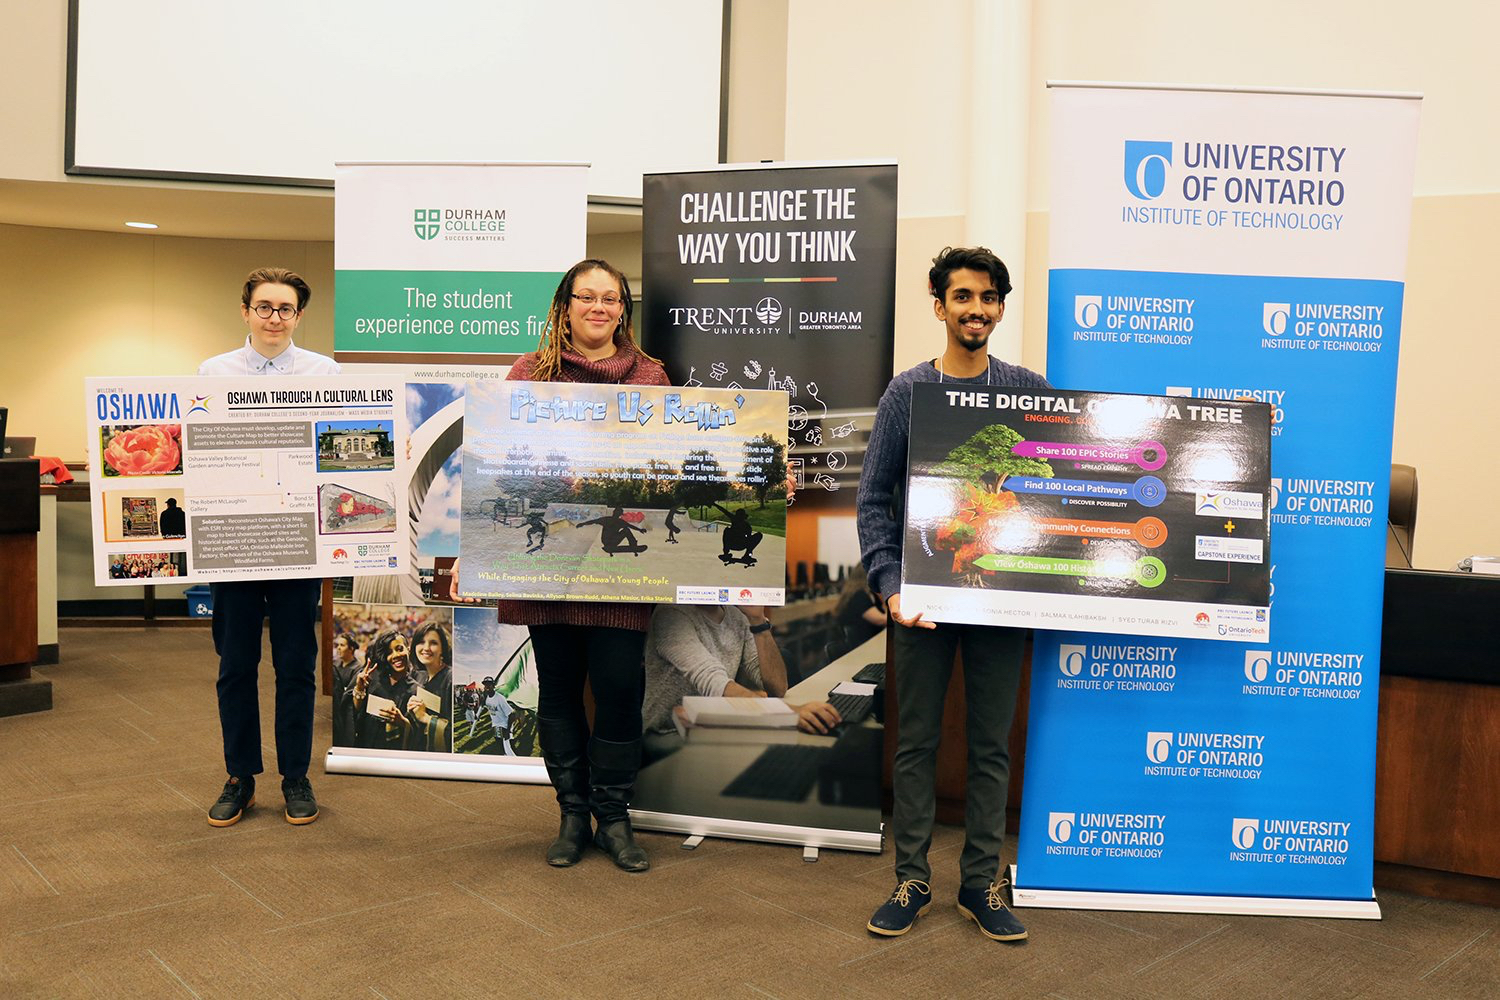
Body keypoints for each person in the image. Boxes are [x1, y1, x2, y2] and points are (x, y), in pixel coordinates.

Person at [856, 247, 1048, 942]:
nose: (977, 309)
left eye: (989, 297)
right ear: (939, 305)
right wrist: (888, 585)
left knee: (992, 744)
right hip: (922, 600)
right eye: (963, 296)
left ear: (1000, 307)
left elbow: (1058, 486)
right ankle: (911, 878)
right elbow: (875, 500)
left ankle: (979, 883)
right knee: (917, 743)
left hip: (1002, 598)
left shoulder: (1028, 390)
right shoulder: (908, 394)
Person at [493, 258, 669, 871]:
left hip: (621, 567)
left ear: (624, 308)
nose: (600, 307)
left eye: (611, 298)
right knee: (560, 690)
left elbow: (665, 471)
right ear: (564, 305)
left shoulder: (651, 379)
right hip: (549, 567)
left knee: (622, 689)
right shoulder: (527, 375)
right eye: (587, 297)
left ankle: (614, 817)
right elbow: (500, 462)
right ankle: (572, 814)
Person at [200, 267, 338, 828]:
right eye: (264, 307)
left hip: (296, 540)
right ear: (245, 311)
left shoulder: (324, 372)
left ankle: (295, 776)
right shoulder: (213, 372)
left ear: (299, 316)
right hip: (234, 538)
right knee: (235, 664)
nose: (274, 317)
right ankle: (240, 776)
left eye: (284, 309)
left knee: (297, 665)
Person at [642, 605, 841, 759]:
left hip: (716, 722)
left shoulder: (736, 616)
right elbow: (714, 682)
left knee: (793, 745)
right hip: (669, 731)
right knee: (773, 750)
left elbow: (776, 687)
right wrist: (792, 711)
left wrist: (758, 621)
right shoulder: (671, 614)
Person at [345, 629, 418, 750]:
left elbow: (419, 736)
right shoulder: (372, 679)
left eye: (400, 649)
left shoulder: (415, 690)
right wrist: (359, 689)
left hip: (394, 756)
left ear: (408, 649)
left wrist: (402, 722)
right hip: (365, 749)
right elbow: (353, 715)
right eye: (389, 652)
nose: (395, 655)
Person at [408, 621, 454, 753]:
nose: (426, 647)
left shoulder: (451, 679)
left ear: (442, 649)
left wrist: (426, 718)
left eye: (433, 643)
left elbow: (455, 734)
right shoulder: (417, 676)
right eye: (421, 642)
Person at [832, 565, 887, 653]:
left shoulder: (870, 594)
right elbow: (881, 620)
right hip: (859, 648)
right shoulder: (858, 596)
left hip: (867, 644)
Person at [330, 630, 362, 745]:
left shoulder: (358, 668)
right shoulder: (335, 665)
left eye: (342, 645)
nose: (338, 648)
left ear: (351, 648)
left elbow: (349, 692)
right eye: (337, 645)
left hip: (347, 712)